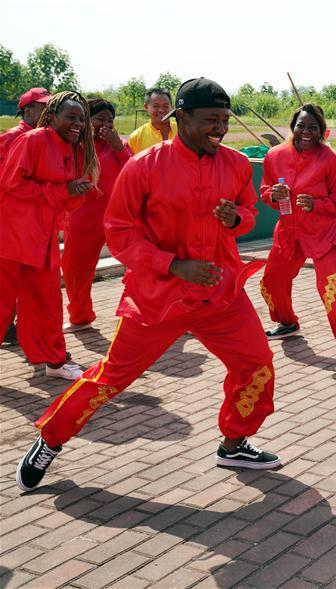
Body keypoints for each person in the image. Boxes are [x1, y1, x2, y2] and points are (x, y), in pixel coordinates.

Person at [17, 78, 280, 493]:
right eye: (211, 120)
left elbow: (248, 212)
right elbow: (119, 232)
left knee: (257, 366)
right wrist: (173, 265)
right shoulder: (145, 166)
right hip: (158, 300)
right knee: (110, 379)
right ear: (182, 117)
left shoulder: (234, 164)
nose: (221, 129)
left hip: (220, 292)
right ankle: (50, 439)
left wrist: (236, 220)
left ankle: (234, 442)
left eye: (225, 120)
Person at [258, 103, 336, 372]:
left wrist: (316, 204)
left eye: (313, 127)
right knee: (271, 282)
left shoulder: (331, 159)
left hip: (324, 236)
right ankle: (287, 322)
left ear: (321, 132)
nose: (306, 132)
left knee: (332, 290)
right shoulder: (274, 155)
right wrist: (273, 195)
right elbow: (264, 190)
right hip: (288, 233)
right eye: (301, 126)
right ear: (293, 126)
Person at [0, 91, 96, 381]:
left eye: (81, 118)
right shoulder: (30, 140)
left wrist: (78, 192)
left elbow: (65, 198)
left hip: (43, 240)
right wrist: (62, 192)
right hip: (12, 237)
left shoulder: (74, 148)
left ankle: (54, 362)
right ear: (51, 117)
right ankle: (51, 360)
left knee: (48, 304)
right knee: (3, 306)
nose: (78, 123)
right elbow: (11, 184)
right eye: (71, 117)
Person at [61, 99, 133, 333]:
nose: (105, 125)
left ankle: (138, 312)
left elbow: (136, 171)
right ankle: (80, 317)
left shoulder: (120, 145)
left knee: (139, 267)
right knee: (75, 274)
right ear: (86, 122)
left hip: (118, 220)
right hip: (82, 221)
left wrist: (119, 147)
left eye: (110, 121)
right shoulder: (74, 146)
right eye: (99, 119)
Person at [0, 88, 52, 347]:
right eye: (43, 106)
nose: (47, 112)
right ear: (27, 109)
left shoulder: (46, 139)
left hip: (33, 228)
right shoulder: (12, 138)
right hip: (12, 227)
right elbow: (8, 183)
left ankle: (37, 345)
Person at [0, 87, 51, 165]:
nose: (49, 113)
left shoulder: (50, 135)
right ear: (28, 109)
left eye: (50, 109)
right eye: (44, 109)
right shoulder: (10, 137)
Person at [127, 87, 177, 154]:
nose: (161, 110)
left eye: (165, 106)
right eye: (156, 106)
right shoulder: (136, 138)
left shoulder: (183, 131)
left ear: (172, 107)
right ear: (146, 107)